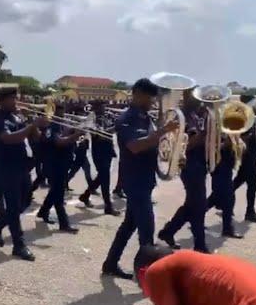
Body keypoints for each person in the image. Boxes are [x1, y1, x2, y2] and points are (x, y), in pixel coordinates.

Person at [101, 79, 178, 279]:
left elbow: (154, 144)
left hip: (145, 179)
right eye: (149, 97)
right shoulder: (127, 118)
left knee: (128, 226)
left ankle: (110, 263)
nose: (153, 101)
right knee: (147, 230)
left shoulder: (145, 118)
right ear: (137, 94)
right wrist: (163, 130)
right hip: (134, 181)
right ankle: (149, 277)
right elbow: (134, 146)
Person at [0, 86, 48, 261]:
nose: (17, 102)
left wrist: (36, 125)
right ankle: (18, 245)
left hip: (21, 165)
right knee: (13, 206)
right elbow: (8, 138)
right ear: (3, 100)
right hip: (6, 167)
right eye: (13, 98)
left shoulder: (16, 116)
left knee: (25, 201)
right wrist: (32, 125)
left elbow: (35, 137)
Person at [158, 89, 210, 254]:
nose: (199, 100)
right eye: (195, 96)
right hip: (190, 165)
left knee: (193, 205)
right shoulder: (182, 116)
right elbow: (184, 146)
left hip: (199, 164)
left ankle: (168, 232)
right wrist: (205, 134)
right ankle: (200, 245)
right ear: (187, 97)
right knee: (198, 205)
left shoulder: (195, 114)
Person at [36, 103, 82, 233]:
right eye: (60, 112)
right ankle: (64, 223)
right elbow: (59, 142)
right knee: (59, 195)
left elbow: (63, 135)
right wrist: (76, 135)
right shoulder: (51, 126)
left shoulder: (59, 125)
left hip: (61, 164)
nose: (63, 115)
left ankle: (43, 212)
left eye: (63, 112)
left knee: (55, 191)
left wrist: (73, 130)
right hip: (54, 165)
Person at [78, 101, 119, 216]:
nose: (103, 108)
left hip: (108, 150)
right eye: (100, 106)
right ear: (95, 107)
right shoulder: (91, 119)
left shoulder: (108, 116)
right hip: (99, 152)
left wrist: (118, 126)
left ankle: (85, 196)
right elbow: (99, 135)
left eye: (103, 106)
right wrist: (115, 128)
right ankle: (108, 206)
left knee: (102, 177)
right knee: (105, 178)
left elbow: (113, 129)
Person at [233, 95, 256, 224]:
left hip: (251, 156)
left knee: (236, 183)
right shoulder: (243, 116)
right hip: (247, 156)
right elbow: (240, 135)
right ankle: (250, 212)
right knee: (253, 184)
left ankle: (217, 203)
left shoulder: (251, 117)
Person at [206, 134, 242, 238]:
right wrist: (225, 143)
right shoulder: (214, 126)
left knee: (220, 198)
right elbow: (212, 146)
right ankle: (227, 229)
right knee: (225, 199)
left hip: (226, 168)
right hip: (219, 168)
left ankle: (227, 229)